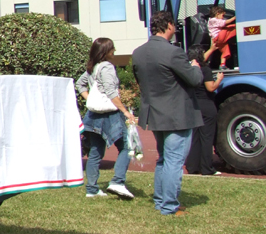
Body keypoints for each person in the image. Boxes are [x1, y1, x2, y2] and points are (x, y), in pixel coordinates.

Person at [132, 11, 203, 216]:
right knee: (174, 160)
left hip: (154, 113)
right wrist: (196, 67)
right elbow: (194, 79)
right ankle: (169, 206)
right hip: (177, 115)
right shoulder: (173, 52)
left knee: (164, 159)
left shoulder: (138, 52)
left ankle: (160, 201)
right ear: (169, 25)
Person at [76, 37, 137, 199]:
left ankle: (92, 189)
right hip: (109, 116)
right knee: (127, 147)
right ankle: (118, 181)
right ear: (106, 52)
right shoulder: (107, 68)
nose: (114, 51)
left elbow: (79, 84)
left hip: (93, 116)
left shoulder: (92, 68)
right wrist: (125, 111)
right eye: (112, 48)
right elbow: (111, 93)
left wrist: (89, 99)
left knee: (95, 152)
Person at [184, 44, 223, 176]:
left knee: (195, 138)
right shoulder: (205, 70)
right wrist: (219, 80)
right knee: (207, 138)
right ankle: (207, 168)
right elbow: (210, 88)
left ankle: (192, 166)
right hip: (206, 105)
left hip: (194, 106)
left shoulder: (188, 69)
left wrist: (211, 49)